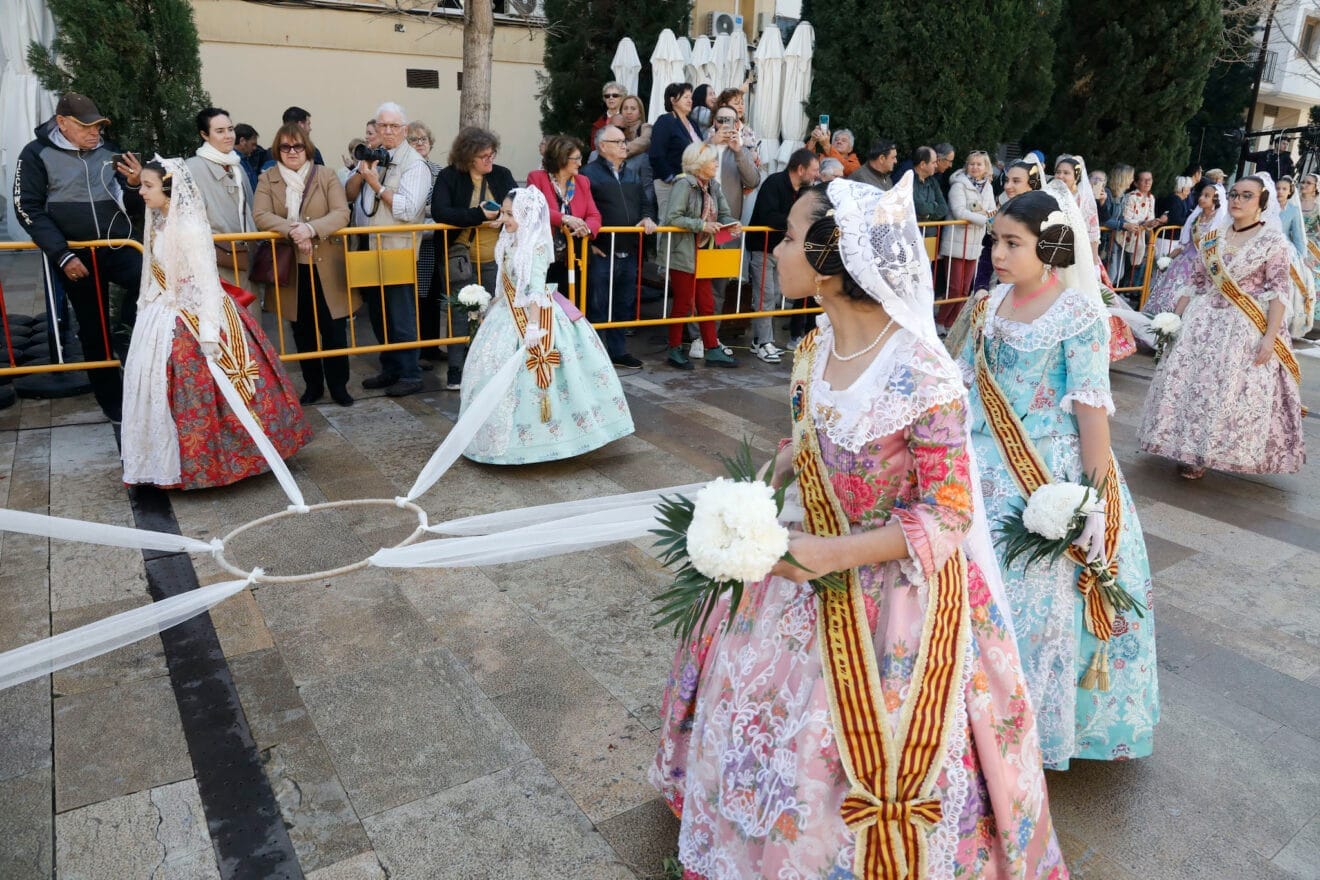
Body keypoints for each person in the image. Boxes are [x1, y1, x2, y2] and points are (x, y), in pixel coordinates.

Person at [652, 176, 1067, 878]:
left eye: (786, 236)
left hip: (893, 603)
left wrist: (830, 553)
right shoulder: (815, 347)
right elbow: (811, 439)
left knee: (847, 747)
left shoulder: (923, 374)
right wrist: (774, 478)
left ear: (831, 258)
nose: (774, 248)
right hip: (798, 572)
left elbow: (949, 512)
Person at [961, 183, 1159, 769]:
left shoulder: (1078, 314)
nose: (997, 253)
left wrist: (1097, 507)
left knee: (1038, 605)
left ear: (1049, 246)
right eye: (994, 240)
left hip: (1048, 473)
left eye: (1011, 243)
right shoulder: (988, 304)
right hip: (982, 463)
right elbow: (966, 384)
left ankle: (1025, 728)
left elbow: (1090, 414)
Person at [121, 158, 311, 488]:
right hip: (164, 312)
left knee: (212, 390)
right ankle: (162, 463)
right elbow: (154, 270)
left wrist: (209, 332)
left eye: (148, 185)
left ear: (168, 189)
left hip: (194, 314)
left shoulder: (189, 227)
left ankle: (228, 460)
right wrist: (148, 305)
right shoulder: (160, 221)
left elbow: (206, 282)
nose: (142, 191)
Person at [1139, 175, 1306, 478]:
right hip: (1201, 322)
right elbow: (1195, 282)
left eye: (1247, 196)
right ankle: (1187, 450)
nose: (1238, 200)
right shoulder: (1213, 237)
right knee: (1190, 384)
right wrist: (1174, 320)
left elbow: (1278, 292)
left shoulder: (1273, 241)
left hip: (1243, 326)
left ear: (1262, 203)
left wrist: (1270, 337)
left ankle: (1209, 451)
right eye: (1235, 194)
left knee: (1225, 390)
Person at [459, 187, 634, 464]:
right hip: (506, 315)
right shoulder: (510, 240)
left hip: (534, 316)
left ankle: (544, 442)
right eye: (503, 212)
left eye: (509, 214)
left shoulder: (536, 247)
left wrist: (533, 329)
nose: (504, 219)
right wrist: (489, 305)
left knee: (548, 380)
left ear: (526, 216)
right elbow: (507, 285)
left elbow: (535, 292)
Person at [13, 93, 144, 422]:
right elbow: (26, 208)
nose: (95, 132)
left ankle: (125, 334)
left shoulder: (110, 151)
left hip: (119, 244)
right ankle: (112, 403)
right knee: (93, 328)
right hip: (76, 254)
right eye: (86, 126)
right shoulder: (35, 153)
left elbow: (139, 205)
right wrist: (62, 254)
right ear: (62, 123)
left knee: (150, 280)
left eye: (99, 125)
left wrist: (133, 185)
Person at [253, 122, 357, 407]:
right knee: (302, 328)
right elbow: (260, 214)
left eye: (297, 146)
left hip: (324, 264)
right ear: (278, 150)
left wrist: (310, 230)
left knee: (333, 327)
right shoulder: (268, 178)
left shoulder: (326, 175)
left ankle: (339, 386)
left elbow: (341, 213)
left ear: (307, 147)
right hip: (291, 266)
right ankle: (313, 385)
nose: (292, 152)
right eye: (285, 147)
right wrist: (292, 230)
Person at [344, 101, 430, 397]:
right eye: (382, 126)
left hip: (397, 248)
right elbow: (349, 195)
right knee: (378, 312)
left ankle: (410, 373)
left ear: (405, 130)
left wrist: (377, 185)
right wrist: (362, 170)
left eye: (394, 126)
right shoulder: (374, 158)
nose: (388, 131)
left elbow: (407, 208)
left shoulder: (415, 164)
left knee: (399, 312)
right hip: (368, 245)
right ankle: (390, 368)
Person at [431, 126, 517, 390]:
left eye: (492, 154)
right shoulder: (449, 176)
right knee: (460, 314)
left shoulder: (502, 175)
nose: (490, 160)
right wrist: (478, 216)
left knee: (495, 314)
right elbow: (441, 212)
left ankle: (489, 367)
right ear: (468, 158)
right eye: (484, 156)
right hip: (461, 257)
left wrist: (503, 218)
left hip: (495, 258)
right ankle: (456, 370)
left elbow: (518, 205)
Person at [662, 142, 741, 369]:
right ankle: (675, 348)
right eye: (712, 160)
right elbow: (672, 218)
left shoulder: (713, 186)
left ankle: (712, 348)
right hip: (684, 253)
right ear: (699, 163)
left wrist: (732, 224)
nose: (717, 164)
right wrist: (701, 225)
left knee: (706, 303)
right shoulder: (684, 185)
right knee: (683, 302)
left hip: (705, 252)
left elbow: (724, 214)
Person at [583, 125, 656, 368]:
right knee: (597, 303)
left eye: (625, 141)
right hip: (602, 250)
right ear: (603, 146)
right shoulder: (589, 175)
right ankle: (594, 353)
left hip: (628, 250)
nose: (625, 145)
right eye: (619, 142)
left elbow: (646, 203)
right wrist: (590, 244)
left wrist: (647, 218)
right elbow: (582, 212)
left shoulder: (632, 174)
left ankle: (618, 351)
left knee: (623, 302)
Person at [746, 148, 820, 356]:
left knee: (775, 295)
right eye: (814, 170)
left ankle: (758, 339)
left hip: (781, 250)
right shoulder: (774, 183)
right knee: (765, 296)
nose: (817, 175)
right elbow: (769, 216)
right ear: (800, 169)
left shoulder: (804, 190)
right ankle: (764, 343)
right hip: (763, 247)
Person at [704, 105, 760, 356]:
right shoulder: (702, 146)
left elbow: (753, 180)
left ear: (738, 124)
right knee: (698, 285)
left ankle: (711, 339)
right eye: (721, 119)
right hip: (700, 226)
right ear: (713, 122)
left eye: (731, 120)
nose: (726, 124)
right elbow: (687, 168)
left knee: (718, 286)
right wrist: (711, 146)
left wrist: (739, 151)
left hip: (726, 229)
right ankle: (696, 338)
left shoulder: (742, 149)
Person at [186, 107, 256, 293]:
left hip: (245, 256)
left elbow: (250, 206)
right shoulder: (191, 168)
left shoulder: (237, 166)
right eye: (220, 131)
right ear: (204, 134)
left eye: (230, 129)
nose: (228, 136)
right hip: (214, 260)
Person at [527, 135, 602, 296]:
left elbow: (594, 215)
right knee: (546, 306)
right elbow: (536, 210)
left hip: (575, 256)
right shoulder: (537, 178)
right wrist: (564, 218)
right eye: (576, 159)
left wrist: (586, 229)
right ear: (561, 159)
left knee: (575, 306)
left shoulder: (582, 181)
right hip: (545, 257)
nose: (580, 163)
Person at [1142, 183, 1225, 316]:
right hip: (1183, 261)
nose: (1201, 198)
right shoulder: (1195, 217)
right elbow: (1183, 243)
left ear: (1215, 200)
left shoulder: (1219, 221)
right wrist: (1168, 258)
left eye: (1207, 196)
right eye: (1201, 195)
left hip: (1201, 267)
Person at [938, 149, 996, 317]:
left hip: (975, 243)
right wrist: (983, 219)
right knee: (954, 288)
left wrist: (987, 215)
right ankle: (942, 320)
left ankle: (953, 322)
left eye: (979, 164)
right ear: (966, 166)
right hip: (957, 241)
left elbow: (991, 209)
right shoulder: (959, 185)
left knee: (965, 288)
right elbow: (959, 212)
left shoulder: (988, 187)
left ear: (986, 167)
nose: (975, 167)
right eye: (971, 164)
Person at [406, 121, 445, 367]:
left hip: (433, 244)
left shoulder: (439, 171)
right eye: (414, 140)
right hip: (411, 244)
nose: (420, 143)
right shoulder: (406, 169)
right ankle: (417, 349)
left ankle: (432, 346)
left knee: (432, 296)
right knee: (414, 299)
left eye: (424, 139)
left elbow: (438, 206)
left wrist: (426, 210)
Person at [648, 83, 702, 215]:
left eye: (691, 97)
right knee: (668, 223)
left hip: (693, 184)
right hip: (670, 185)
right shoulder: (665, 121)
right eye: (685, 97)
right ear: (672, 100)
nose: (690, 100)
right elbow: (656, 154)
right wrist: (671, 178)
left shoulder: (693, 123)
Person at [1115, 169, 1163, 290]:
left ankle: (1132, 290)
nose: (1148, 182)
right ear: (1136, 183)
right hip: (1128, 237)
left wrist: (1153, 222)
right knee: (1125, 266)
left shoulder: (1151, 198)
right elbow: (1126, 218)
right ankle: (1122, 289)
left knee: (1139, 264)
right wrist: (1144, 223)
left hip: (1142, 238)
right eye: (1144, 180)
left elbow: (1150, 218)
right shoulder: (1131, 197)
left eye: (1150, 179)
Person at [911, 146, 949, 225]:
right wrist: (934, 205)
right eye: (933, 162)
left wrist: (926, 215)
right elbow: (918, 207)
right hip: (914, 234)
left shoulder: (933, 181)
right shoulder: (909, 180)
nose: (936, 165)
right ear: (922, 164)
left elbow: (944, 208)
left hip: (932, 235)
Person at [589, 81, 627, 146]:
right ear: (604, 99)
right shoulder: (597, 124)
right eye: (607, 96)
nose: (610, 98)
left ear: (622, 98)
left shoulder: (628, 119)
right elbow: (594, 147)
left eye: (615, 95)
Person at [235, 123, 269, 191]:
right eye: (253, 144)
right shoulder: (234, 162)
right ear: (242, 141)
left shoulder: (246, 160)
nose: (255, 148)